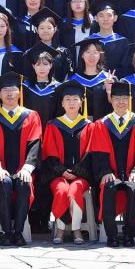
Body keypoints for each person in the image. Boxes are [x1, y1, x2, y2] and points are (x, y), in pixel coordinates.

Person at [0, 73, 43, 247]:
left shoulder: (31, 116)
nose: (9, 93)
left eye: (13, 89)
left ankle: (18, 232)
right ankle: (6, 232)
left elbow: (35, 144)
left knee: (24, 182)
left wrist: (26, 168)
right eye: (5, 90)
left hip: (23, 169)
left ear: (19, 92)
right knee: (3, 181)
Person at [83, 82, 135, 247]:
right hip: (110, 172)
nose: (121, 102)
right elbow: (98, 151)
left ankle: (129, 235)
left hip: (132, 172)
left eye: (125, 98)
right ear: (111, 100)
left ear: (130, 100)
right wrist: (105, 171)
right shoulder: (102, 124)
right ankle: (111, 235)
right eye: (117, 98)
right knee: (108, 187)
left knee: (134, 188)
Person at [39, 82, 91, 244]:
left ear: (81, 102)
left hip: (81, 176)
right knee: (61, 190)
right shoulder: (53, 125)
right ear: (62, 103)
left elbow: (91, 153)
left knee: (74, 189)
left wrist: (76, 172)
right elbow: (49, 153)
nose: (71, 103)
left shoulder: (89, 126)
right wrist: (62, 171)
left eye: (75, 99)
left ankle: (76, 229)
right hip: (58, 175)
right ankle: (60, 230)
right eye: (67, 99)